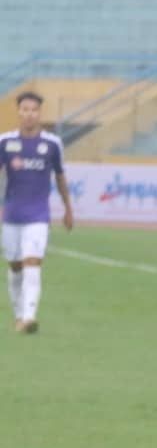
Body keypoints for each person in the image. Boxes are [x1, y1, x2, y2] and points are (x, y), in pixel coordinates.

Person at [1, 91, 73, 335]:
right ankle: (19, 315)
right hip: (12, 215)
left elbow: (60, 177)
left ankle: (29, 316)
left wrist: (68, 208)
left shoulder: (52, 144)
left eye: (34, 110)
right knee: (15, 267)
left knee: (32, 262)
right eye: (25, 109)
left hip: (38, 215)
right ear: (19, 112)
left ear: (40, 113)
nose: (29, 114)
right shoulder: (5, 142)